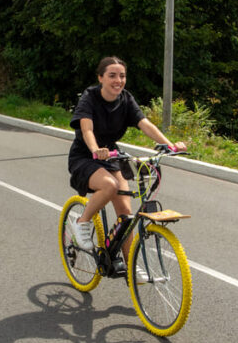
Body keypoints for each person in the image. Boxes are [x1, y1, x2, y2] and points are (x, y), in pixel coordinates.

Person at [68, 56, 186, 269]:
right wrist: (95, 150)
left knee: (126, 216)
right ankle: (82, 222)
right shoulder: (90, 97)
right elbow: (87, 129)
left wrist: (170, 146)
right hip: (85, 156)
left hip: (112, 157)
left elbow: (145, 124)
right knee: (109, 186)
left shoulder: (126, 99)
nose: (118, 80)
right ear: (100, 78)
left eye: (122, 76)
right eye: (112, 75)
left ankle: (130, 267)